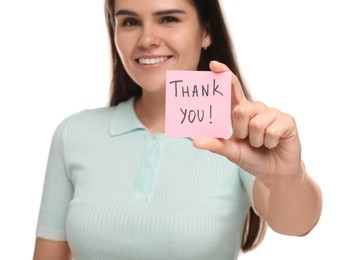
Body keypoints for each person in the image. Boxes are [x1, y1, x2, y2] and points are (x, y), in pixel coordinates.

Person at [33, 0, 322, 259]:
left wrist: (286, 176)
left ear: (206, 30)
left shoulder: (239, 136)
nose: (146, 39)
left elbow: (297, 223)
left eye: (168, 19)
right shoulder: (74, 133)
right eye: (130, 22)